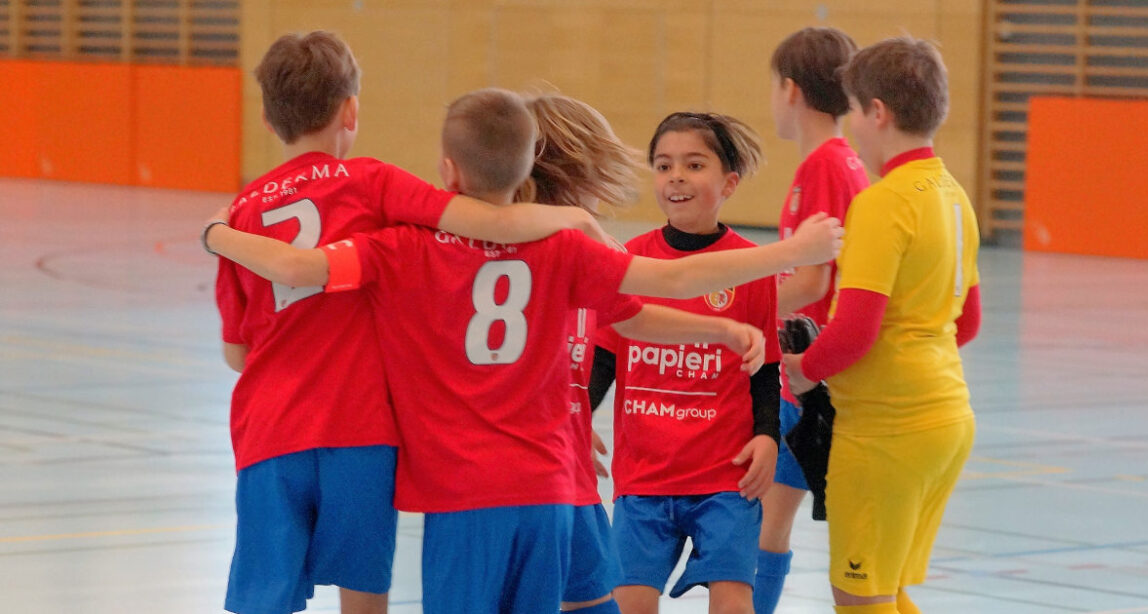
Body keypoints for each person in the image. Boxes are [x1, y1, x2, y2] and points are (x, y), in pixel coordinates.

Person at [206, 88, 844, 614]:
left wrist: (219, 233)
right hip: (547, 485)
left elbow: (296, 266)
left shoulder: (405, 247)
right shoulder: (570, 248)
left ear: (448, 173)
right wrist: (769, 276)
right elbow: (662, 295)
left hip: (466, 493)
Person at [215, 32, 613, 614]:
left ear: (269, 120)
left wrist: (217, 235)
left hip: (270, 428)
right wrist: (573, 218)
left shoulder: (243, 212)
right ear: (351, 109)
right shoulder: (372, 183)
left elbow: (236, 353)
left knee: (263, 598)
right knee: (364, 591)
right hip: (361, 429)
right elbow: (479, 220)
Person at [783, 37, 982, 614]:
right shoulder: (954, 196)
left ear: (878, 112)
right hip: (946, 418)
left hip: (886, 434)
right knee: (884, 591)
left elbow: (855, 332)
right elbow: (964, 322)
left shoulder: (882, 203)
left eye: (854, 113)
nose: (853, 132)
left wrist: (803, 370)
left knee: (858, 594)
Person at [589, 111, 781, 614]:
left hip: (724, 476)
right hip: (644, 475)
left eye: (694, 165)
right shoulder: (630, 262)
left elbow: (765, 367)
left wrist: (767, 435)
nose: (676, 176)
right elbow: (603, 358)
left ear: (729, 183)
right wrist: (576, 421)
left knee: (734, 601)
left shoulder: (750, 267)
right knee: (626, 601)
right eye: (663, 165)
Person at [755, 26, 870, 614]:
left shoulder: (825, 165)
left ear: (791, 90)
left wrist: (739, 313)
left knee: (765, 528)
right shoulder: (839, 162)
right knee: (768, 526)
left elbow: (813, 278)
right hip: (815, 374)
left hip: (807, 376)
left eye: (773, 86)